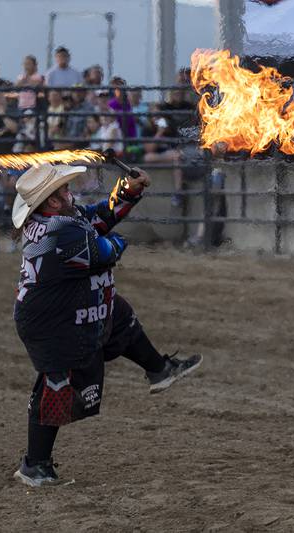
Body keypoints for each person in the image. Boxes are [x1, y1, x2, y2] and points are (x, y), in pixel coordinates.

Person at [10, 163, 202, 487]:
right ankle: (35, 465)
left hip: (61, 307)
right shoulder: (61, 232)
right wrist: (116, 240)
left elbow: (97, 218)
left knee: (117, 315)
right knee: (57, 384)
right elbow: (104, 250)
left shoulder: (57, 221)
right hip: (51, 323)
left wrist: (128, 190)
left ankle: (159, 369)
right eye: (64, 191)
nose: (70, 194)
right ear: (52, 202)